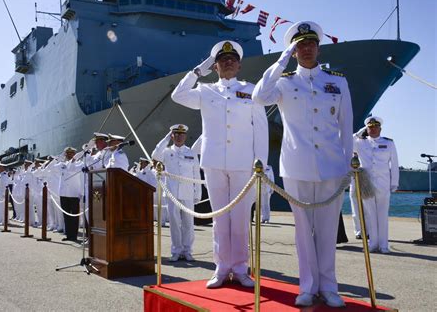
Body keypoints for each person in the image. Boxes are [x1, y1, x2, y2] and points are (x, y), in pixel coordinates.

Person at [252, 21, 353, 307]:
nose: (306, 49)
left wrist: (348, 167)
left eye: (310, 44)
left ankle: (329, 287)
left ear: (318, 47)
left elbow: (346, 126)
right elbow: (259, 96)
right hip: (296, 166)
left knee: (327, 229)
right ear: (294, 50)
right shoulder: (283, 82)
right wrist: (281, 59)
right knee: (302, 232)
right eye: (300, 45)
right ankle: (307, 286)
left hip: (332, 166)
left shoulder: (337, 81)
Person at [171, 41, 268, 288]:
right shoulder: (205, 91)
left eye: (232, 59)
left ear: (239, 64)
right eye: (223, 60)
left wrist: (261, 165)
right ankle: (222, 267)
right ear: (215, 66)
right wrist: (196, 72)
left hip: (243, 162)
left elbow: (261, 130)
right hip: (214, 162)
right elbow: (178, 95)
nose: (228, 62)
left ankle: (241, 268)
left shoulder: (251, 90)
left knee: (240, 217)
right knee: (220, 219)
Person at [152, 124, 202, 262]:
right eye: (176, 134)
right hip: (172, 193)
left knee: (188, 223)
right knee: (174, 223)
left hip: (187, 193)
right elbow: (154, 155)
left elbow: (196, 174)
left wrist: (198, 193)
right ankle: (176, 250)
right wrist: (166, 138)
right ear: (172, 136)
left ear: (185, 136)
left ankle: (187, 251)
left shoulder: (191, 153)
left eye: (182, 134)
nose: (179, 137)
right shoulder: (166, 152)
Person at [353, 116, 399, 253]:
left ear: (380, 128)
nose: (373, 129)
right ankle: (373, 244)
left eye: (375, 127)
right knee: (370, 215)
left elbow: (394, 164)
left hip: (383, 184)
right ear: (367, 129)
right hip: (366, 184)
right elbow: (346, 142)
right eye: (370, 127)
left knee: (382, 215)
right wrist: (358, 133)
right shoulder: (360, 143)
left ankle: (384, 245)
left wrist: (394, 183)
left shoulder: (389, 143)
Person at [57, 147, 84, 242]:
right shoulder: (62, 164)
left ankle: (74, 236)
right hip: (63, 193)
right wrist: (60, 157)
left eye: (71, 153)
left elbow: (72, 169)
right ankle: (68, 235)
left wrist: (72, 161)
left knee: (74, 216)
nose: (69, 155)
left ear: (74, 154)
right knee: (66, 215)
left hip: (74, 193)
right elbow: (52, 169)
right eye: (67, 153)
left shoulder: (79, 164)